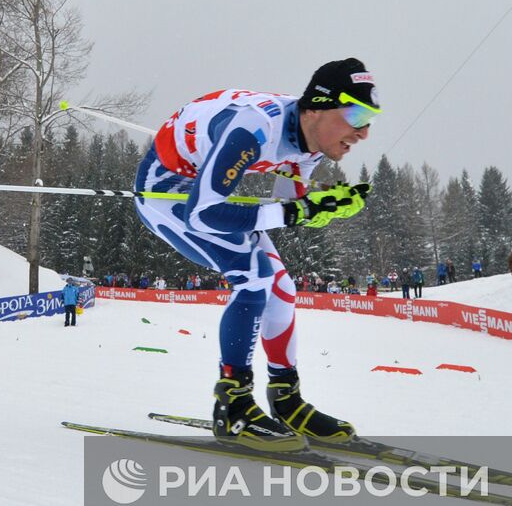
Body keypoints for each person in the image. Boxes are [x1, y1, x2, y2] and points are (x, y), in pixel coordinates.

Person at [133, 58, 378, 452]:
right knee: (254, 276)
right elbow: (204, 212)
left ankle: (285, 398)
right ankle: (233, 404)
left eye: (370, 119)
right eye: (357, 114)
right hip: (167, 193)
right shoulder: (254, 128)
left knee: (281, 287)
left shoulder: (313, 142)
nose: (364, 132)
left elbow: (289, 202)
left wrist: (324, 206)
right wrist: (301, 210)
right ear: (316, 108)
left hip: (205, 190)